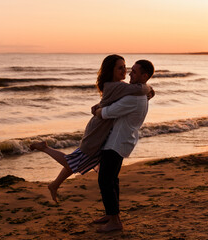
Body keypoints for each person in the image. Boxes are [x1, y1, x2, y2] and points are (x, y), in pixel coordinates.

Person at [30, 55, 154, 203]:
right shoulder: (118, 86)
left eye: (125, 67)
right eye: (120, 68)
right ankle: (45, 148)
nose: (125, 71)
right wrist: (150, 89)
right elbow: (142, 89)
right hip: (98, 130)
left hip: (102, 129)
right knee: (74, 161)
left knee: (80, 160)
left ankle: (55, 184)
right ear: (111, 70)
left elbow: (135, 93)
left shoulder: (116, 86)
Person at [92, 59, 155, 233]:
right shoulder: (139, 94)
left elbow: (107, 113)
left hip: (117, 143)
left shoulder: (134, 99)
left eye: (134, 72)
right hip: (122, 141)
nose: (129, 74)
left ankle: (115, 221)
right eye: (130, 70)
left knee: (105, 180)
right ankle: (111, 215)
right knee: (112, 180)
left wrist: (97, 110)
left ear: (144, 76)